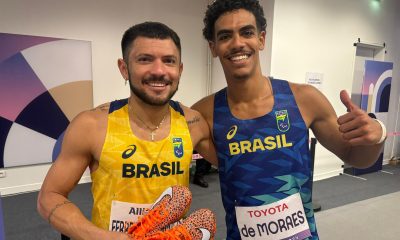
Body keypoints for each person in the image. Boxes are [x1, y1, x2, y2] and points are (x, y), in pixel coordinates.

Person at [192, 0, 387, 239]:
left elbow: (356, 158)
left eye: (247, 32)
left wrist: (378, 134)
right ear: (213, 47)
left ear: (261, 39)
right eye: (225, 36)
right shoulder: (204, 113)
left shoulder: (304, 99)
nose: (238, 43)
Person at [37, 22, 216, 240]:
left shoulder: (193, 122)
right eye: (145, 59)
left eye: (169, 61)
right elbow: (49, 196)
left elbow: (237, 164)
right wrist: (102, 237)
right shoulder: (92, 125)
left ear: (179, 70)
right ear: (124, 68)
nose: (159, 71)